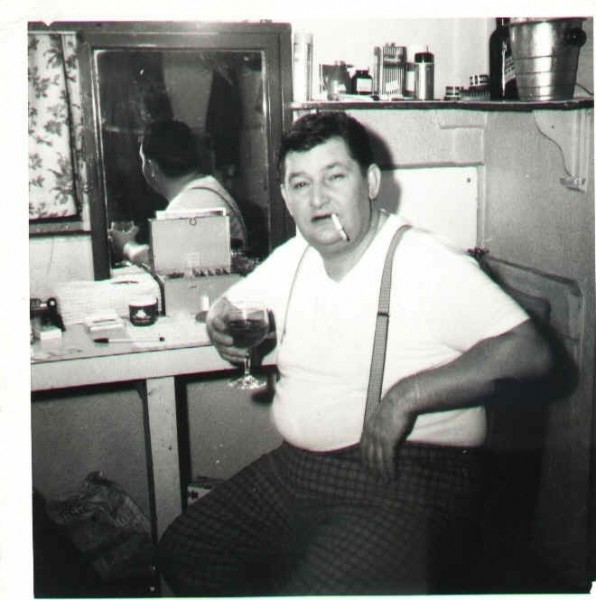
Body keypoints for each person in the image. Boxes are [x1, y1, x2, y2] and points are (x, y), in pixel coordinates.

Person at [158, 111, 553, 595]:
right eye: (300, 184)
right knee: (186, 548)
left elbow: (532, 352)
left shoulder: (424, 261)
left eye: (334, 177)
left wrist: (405, 396)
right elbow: (232, 306)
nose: (317, 199)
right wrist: (220, 326)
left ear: (368, 182)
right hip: (296, 473)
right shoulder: (295, 255)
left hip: (403, 478)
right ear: (285, 197)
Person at [110, 119, 247, 265]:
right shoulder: (206, 188)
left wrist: (126, 246)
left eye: (142, 161)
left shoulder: (188, 206)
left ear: (152, 167)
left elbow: (157, 261)